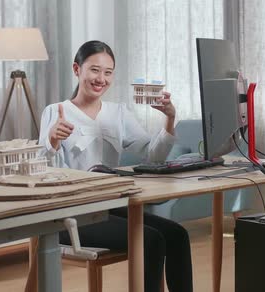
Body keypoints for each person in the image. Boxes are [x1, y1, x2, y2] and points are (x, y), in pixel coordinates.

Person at [39, 40, 193, 292]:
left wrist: (169, 118)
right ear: (77, 69)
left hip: (110, 205)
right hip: (71, 214)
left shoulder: (117, 113)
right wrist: (53, 139)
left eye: (108, 72)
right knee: (151, 241)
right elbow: (43, 171)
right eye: (94, 70)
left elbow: (153, 156)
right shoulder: (56, 112)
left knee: (178, 235)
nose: (101, 78)